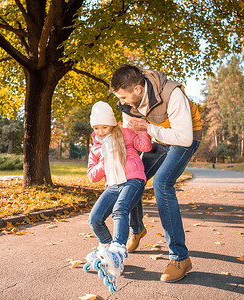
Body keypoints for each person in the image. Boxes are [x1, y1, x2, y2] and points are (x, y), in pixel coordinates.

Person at [110, 64, 202, 283]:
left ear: (138, 90)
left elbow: (184, 138)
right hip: (158, 138)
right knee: (132, 178)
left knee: (162, 183)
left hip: (184, 138)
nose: (121, 102)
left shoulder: (172, 93)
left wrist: (148, 129)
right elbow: (131, 137)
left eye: (123, 96)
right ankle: (137, 228)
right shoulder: (128, 104)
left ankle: (180, 258)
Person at [84, 101, 152, 292]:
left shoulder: (125, 133)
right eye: (96, 128)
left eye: (104, 127)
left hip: (133, 180)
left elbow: (145, 146)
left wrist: (142, 130)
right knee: (95, 218)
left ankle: (118, 251)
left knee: (119, 209)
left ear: (112, 124)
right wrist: (103, 162)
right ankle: (105, 248)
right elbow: (91, 176)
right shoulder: (96, 148)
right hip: (113, 185)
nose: (101, 131)